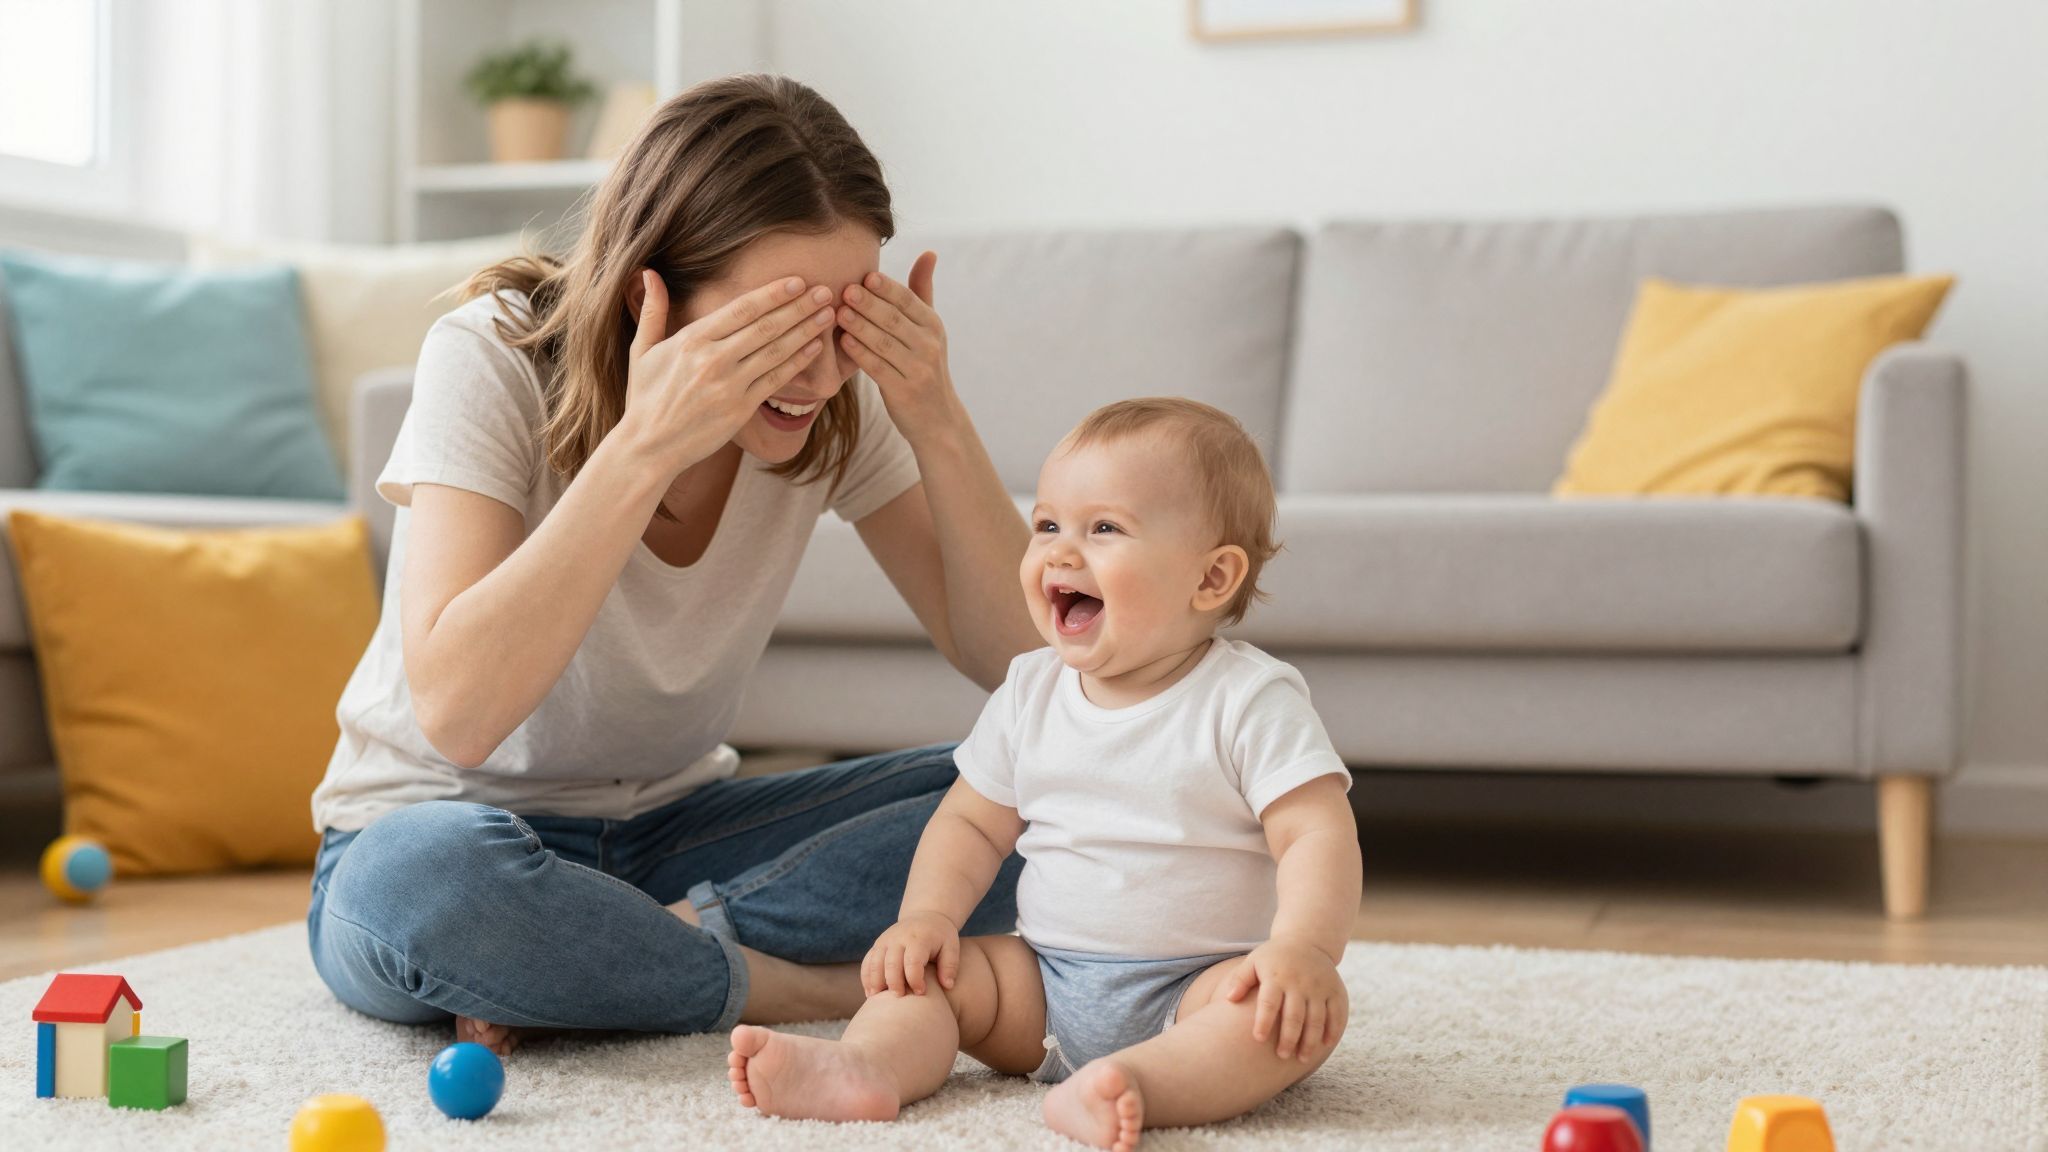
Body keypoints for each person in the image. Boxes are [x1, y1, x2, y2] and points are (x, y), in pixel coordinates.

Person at [305, 74, 1040, 1054]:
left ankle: (622, 960)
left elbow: (1029, 671)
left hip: (674, 840)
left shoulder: (835, 408)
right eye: (773, 324)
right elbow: (461, 717)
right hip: (435, 829)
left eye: (844, 323)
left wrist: (937, 421)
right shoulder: (490, 356)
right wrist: (642, 447)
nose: (818, 372)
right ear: (648, 285)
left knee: (1071, 777)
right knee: (430, 883)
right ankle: (778, 985)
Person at [728, 398, 1362, 1150]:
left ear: (1211, 577)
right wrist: (928, 919)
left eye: (1103, 529)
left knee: (1284, 1022)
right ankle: (866, 1066)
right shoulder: (1031, 690)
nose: (1061, 552)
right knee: (929, 982)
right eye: (1047, 524)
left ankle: (1138, 1085)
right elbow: (968, 822)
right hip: (1039, 982)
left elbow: (1316, 833)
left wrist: (1303, 951)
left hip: (1196, 985)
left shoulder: (1247, 698)